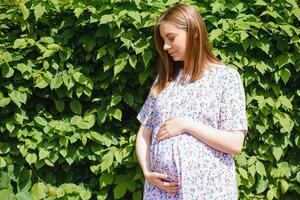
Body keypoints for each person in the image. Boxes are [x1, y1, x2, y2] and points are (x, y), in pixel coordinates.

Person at [135, 3, 248, 200]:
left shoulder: (226, 78)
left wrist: (186, 124)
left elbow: (235, 143)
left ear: (194, 32)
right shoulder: (165, 80)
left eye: (171, 38)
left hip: (209, 191)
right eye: (163, 40)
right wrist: (147, 171)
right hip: (161, 193)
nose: (165, 46)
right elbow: (145, 132)